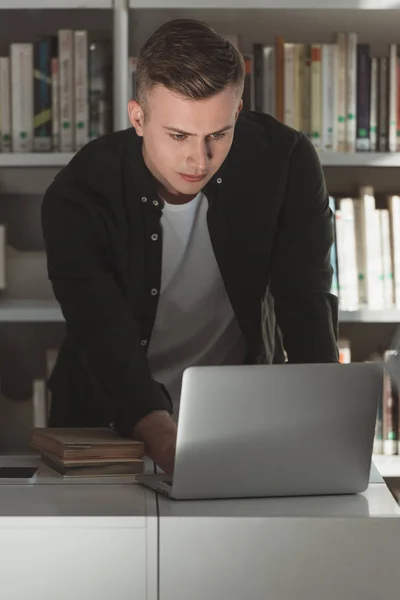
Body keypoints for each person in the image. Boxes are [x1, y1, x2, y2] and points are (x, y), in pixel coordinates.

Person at [41, 18, 339, 474]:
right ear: (138, 118)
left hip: (238, 422)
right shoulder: (80, 192)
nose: (199, 161)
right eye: (178, 136)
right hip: (101, 428)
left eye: (218, 134)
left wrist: (327, 435)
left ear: (238, 111)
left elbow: (306, 304)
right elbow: (100, 329)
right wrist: (164, 438)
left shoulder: (286, 163)